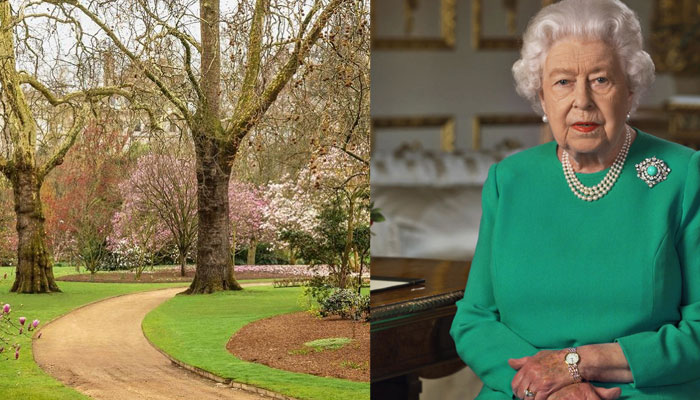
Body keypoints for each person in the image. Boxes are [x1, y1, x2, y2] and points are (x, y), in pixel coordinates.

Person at [449, 0, 700, 399]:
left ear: (630, 90)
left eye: (601, 79)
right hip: (525, 393)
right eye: (563, 82)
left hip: (641, 390)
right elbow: (474, 318)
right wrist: (548, 389)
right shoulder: (509, 180)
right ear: (542, 96)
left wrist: (576, 364)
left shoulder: (684, 175)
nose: (582, 100)